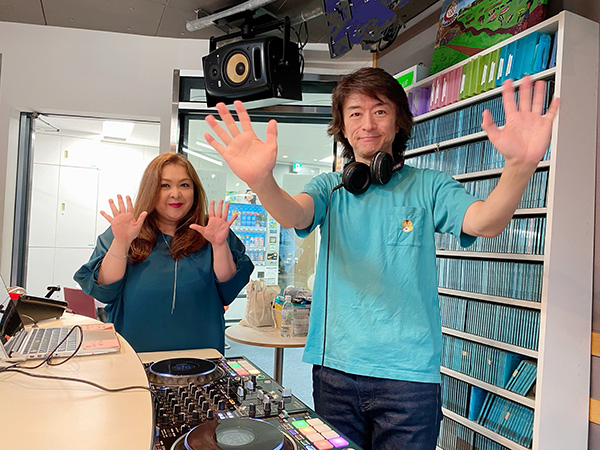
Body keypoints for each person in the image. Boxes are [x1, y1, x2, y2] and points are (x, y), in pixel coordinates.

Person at [203, 67, 559, 449]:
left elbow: (485, 222)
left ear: (398, 121)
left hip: (409, 379)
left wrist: (519, 168)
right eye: (355, 112)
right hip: (336, 371)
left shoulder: (430, 185)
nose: (367, 123)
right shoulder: (330, 187)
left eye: (380, 110)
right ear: (342, 126)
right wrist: (262, 182)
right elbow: (294, 214)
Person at [74, 153, 254, 353]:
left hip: (202, 352)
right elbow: (104, 290)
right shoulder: (127, 230)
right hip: (136, 353)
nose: (175, 194)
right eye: (164, 185)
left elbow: (228, 290)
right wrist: (121, 242)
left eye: (184, 185)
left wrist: (219, 245)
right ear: (150, 189)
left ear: (195, 191)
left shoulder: (211, 230)